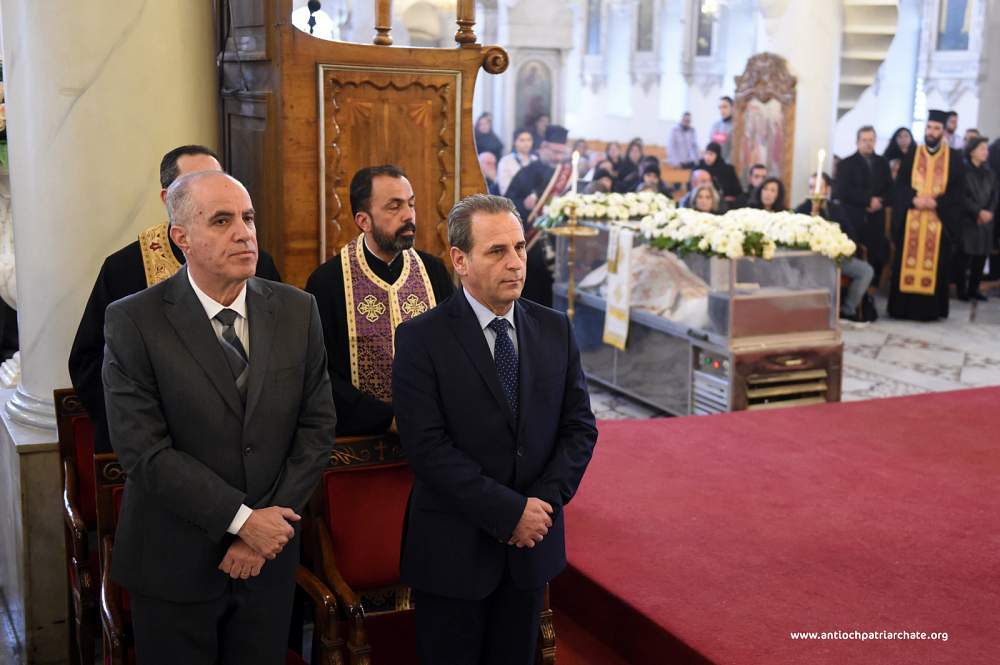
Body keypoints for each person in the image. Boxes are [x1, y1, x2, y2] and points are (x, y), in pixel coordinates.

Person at [101, 171, 336, 664]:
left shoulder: (298, 310)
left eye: (248, 218)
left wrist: (265, 530)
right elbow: (144, 452)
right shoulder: (134, 320)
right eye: (222, 221)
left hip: (268, 564)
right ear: (181, 237)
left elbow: (316, 429)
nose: (244, 233)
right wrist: (242, 520)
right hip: (174, 563)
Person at [391, 193, 598, 665]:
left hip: (531, 550)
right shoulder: (421, 339)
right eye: (497, 251)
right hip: (453, 554)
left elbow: (580, 427)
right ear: (460, 260)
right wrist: (510, 513)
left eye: (520, 248)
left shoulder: (554, 329)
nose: (515, 263)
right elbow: (427, 449)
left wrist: (541, 506)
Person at [69, 145, 281, 453]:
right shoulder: (124, 269)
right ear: (167, 198)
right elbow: (89, 365)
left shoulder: (257, 263)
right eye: (196, 181)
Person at [304, 165, 453, 436]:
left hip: (433, 431)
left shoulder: (434, 272)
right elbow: (320, 374)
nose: (408, 215)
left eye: (411, 204)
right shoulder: (328, 282)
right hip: (360, 439)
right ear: (364, 221)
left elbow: (457, 350)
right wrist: (386, 419)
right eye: (394, 207)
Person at [888, 109, 965, 321]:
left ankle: (929, 311)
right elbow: (900, 186)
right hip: (912, 219)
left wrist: (937, 202)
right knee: (906, 261)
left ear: (944, 131)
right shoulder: (913, 154)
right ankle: (902, 309)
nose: (931, 132)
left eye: (936, 128)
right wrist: (913, 199)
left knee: (936, 265)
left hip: (938, 221)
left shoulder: (954, 158)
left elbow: (958, 192)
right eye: (929, 127)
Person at [504, 125, 573, 307]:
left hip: (558, 244)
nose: (558, 157)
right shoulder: (526, 172)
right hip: (531, 247)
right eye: (555, 152)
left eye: (561, 152)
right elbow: (507, 203)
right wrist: (524, 205)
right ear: (543, 147)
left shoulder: (566, 176)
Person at [796, 174, 874, 320]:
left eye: (819, 187)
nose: (814, 191)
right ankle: (821, 312)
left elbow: (850, 233)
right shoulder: (801, 210)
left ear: (827, 189)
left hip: (838, 256)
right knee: (825, 271)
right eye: (811, 187)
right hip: (813, 259)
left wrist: (844, 246)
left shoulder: (836, 209)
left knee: (866, 271)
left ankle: (847, 310)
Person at [834, 126, 892, 279]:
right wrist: (867, 201)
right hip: (854, 218)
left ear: (875, 141)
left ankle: (872, 289)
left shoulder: (883, 163)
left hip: (877, 219)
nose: (868, 143)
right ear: (857, 142)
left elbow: (890, 189)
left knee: (876, 255)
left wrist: (880, 201)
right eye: (864, 140)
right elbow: (842, 191)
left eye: (871, 140)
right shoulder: (845, 164)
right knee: (854, 254)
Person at [954, 137, 997, 301]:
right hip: (969, 220)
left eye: (986, 149)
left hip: (986, 221)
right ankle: (962, 290)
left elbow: (995, 195)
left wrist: (989, 212)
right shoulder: (963, 171)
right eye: (982, 149)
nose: (986, 152)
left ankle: (974, 289)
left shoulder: (990, 172)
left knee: (981, 257)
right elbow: (962, 196)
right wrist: (978, 212)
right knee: (964, 257)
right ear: (972, 151)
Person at [497, 128, 537, 196]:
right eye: (522, 140)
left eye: (529, 140)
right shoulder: (506, 161)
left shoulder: (535, 159)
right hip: (514, 199)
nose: (526, 143)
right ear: (514, 142)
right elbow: (504, 190)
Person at [710, 96, 734, 162]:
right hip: (715, 163)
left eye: (725, 107)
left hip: (729, 164)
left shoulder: (736, 127)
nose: (722, 110)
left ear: (732, 108)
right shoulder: (715, 126)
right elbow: (711, 146)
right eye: (720, 107)